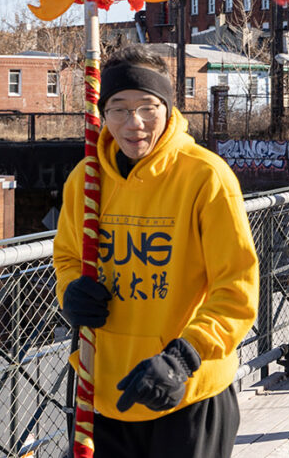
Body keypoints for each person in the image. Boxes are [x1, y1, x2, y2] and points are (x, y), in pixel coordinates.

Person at [53, 45, 258, 457]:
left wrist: (184, 356)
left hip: (186, 390)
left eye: (148, 107)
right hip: (104, 388)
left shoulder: (205, 176)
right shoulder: (86, 179)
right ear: (102, 113)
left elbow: (236, 288)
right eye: (119, 109)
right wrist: (71, 290)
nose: (135, 123)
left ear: (167, 107)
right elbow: (68, 256)